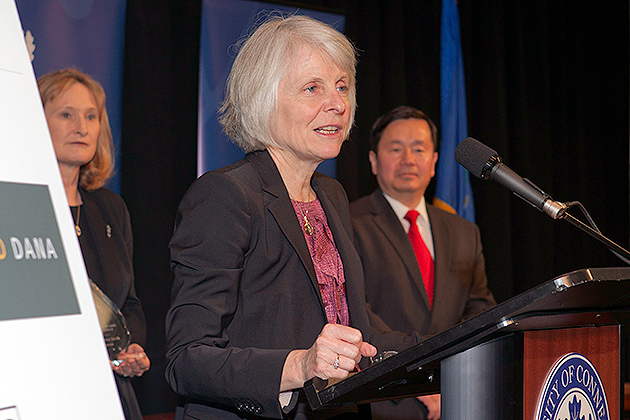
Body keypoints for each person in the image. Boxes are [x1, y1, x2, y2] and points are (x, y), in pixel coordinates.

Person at [165, 15, 421, 420]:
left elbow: (354, 331)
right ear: (263, 100)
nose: (338, 103)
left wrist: (450, 346)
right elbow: (186, 360)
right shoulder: (226, 196)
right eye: (312, 88)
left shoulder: (331, 196)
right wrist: (300, 366)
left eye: (342, 87)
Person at [350, 106, 496, 420]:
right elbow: (354, 311)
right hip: (383, 398)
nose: (408, 159)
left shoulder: (463, 231)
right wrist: (416, 378)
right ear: (374, 161)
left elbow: (479, 310)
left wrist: (452, 377)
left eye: (419, 149)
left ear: (434, 162)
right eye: (395, 149)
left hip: (457, 394)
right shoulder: (348, 223)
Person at [38, 68, 150, 420]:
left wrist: (130, 347)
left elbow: (128, 303)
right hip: (44, 390)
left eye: (91, 116)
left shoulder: (110, 208)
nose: (82, 127)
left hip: (110, 394)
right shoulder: (18, 205)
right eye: (66, 114)